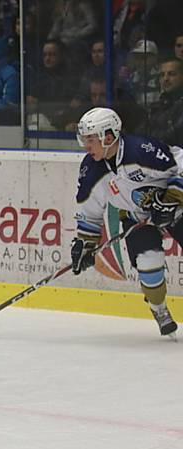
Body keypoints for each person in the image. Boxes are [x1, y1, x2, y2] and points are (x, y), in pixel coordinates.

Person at [73, 107, 183, 336]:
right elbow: (90, 212)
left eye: (90, 139)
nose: (86, 146)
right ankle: (159, 308)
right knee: (148, 264)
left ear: (109, 137)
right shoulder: (91, 168)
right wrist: (85, 244)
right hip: (135, 217)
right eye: (84, 139)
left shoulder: (141, 150)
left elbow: (179, 166)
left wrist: (173, 199)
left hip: (176, 210)